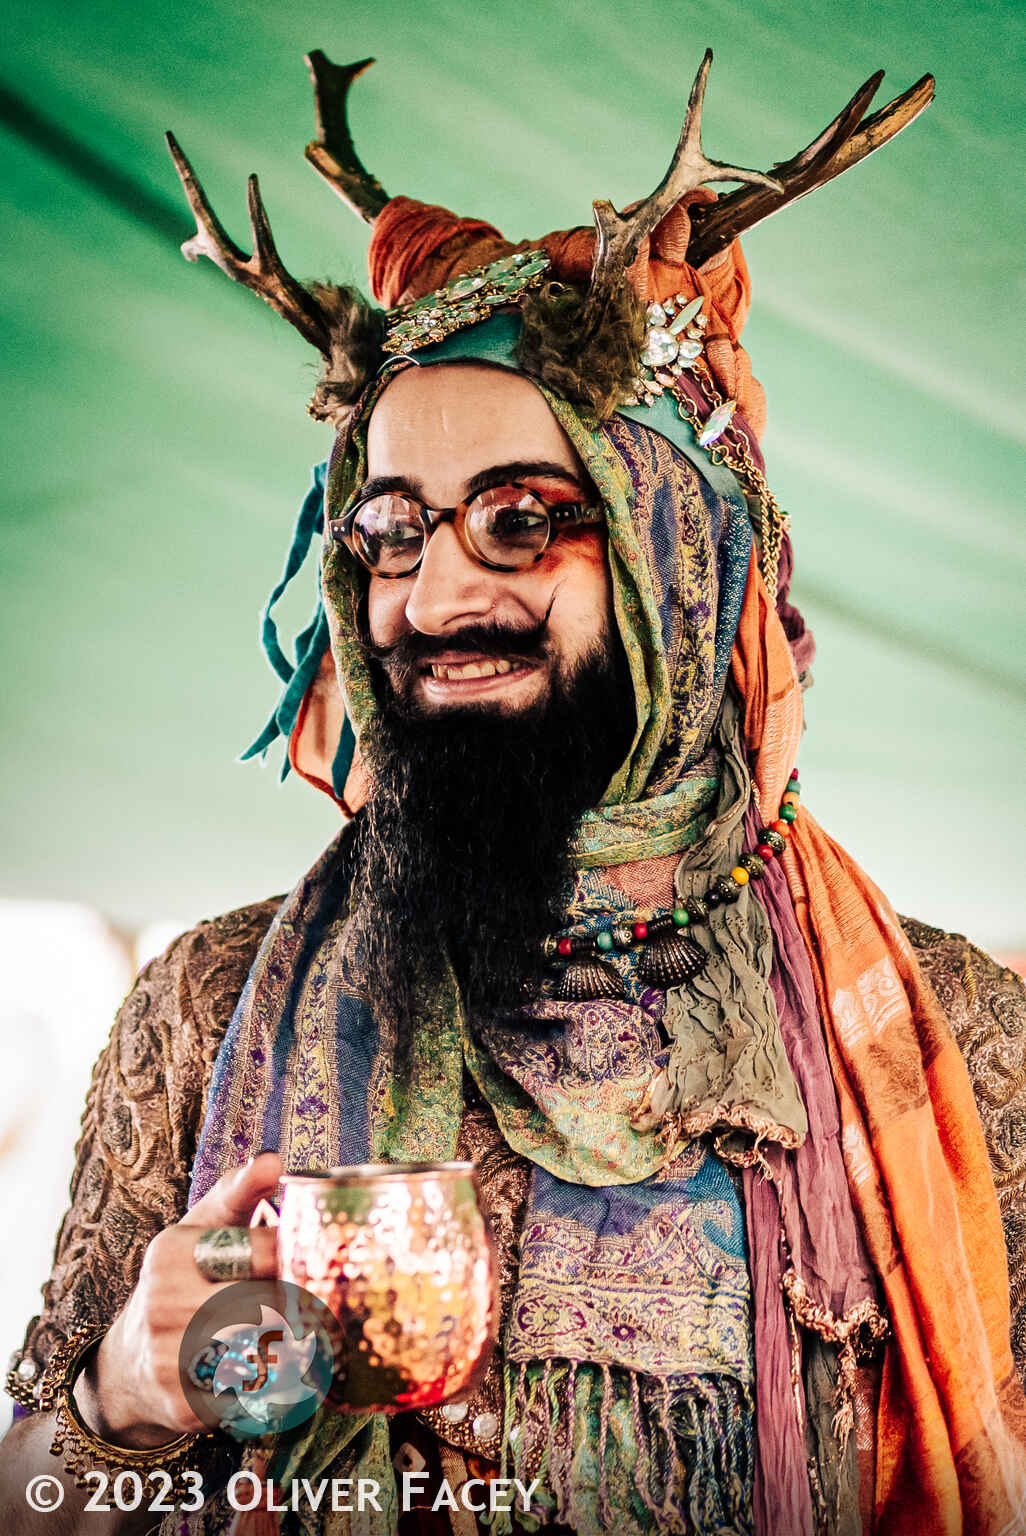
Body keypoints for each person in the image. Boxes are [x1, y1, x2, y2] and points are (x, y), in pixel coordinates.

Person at [3, 47, 1026, 1536]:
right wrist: (116, 1399)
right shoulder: (206, 1008)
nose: (433, 597)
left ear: (680, 565)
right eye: (390, 531)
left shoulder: (956, 1047)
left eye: (522, 521)